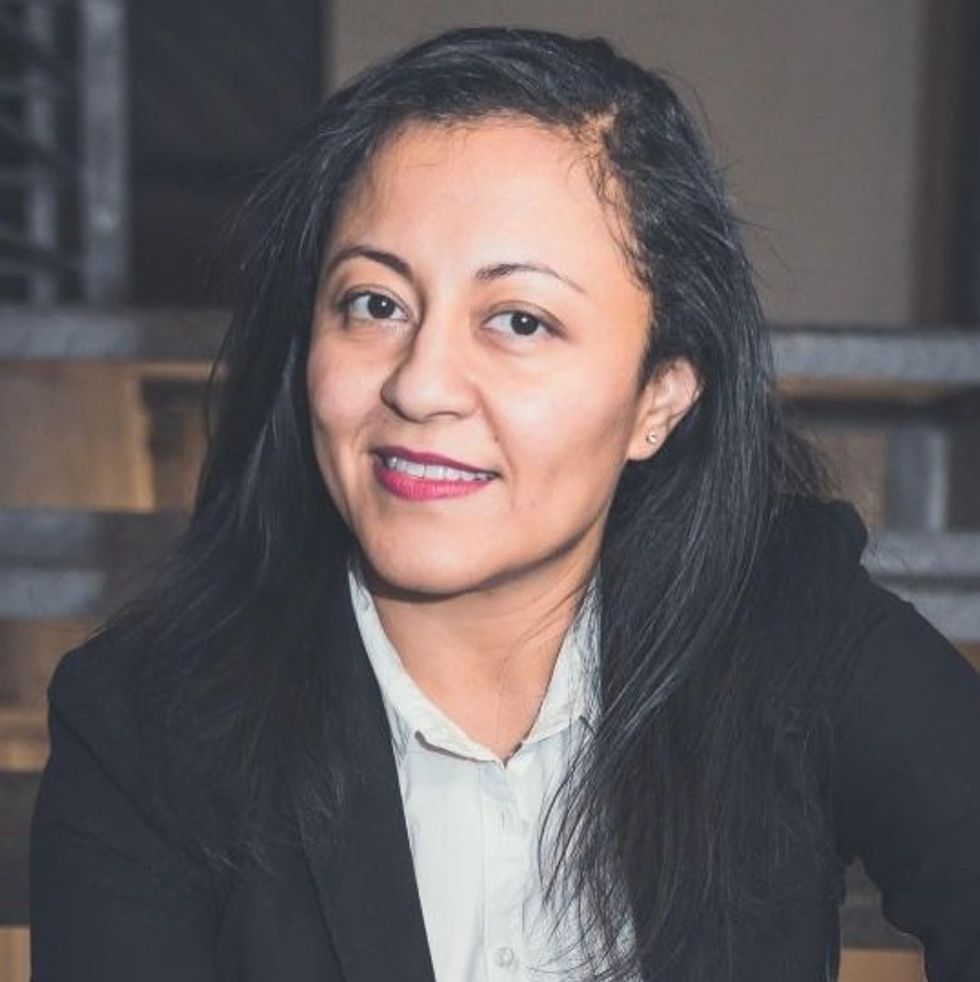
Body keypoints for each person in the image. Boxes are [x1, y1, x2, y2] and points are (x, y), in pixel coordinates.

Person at [29, 26, 980, 982]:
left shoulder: (790, 631)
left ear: (659, 399)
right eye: (376, 304)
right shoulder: (147, 727)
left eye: (519, 320)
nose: (420, 384)